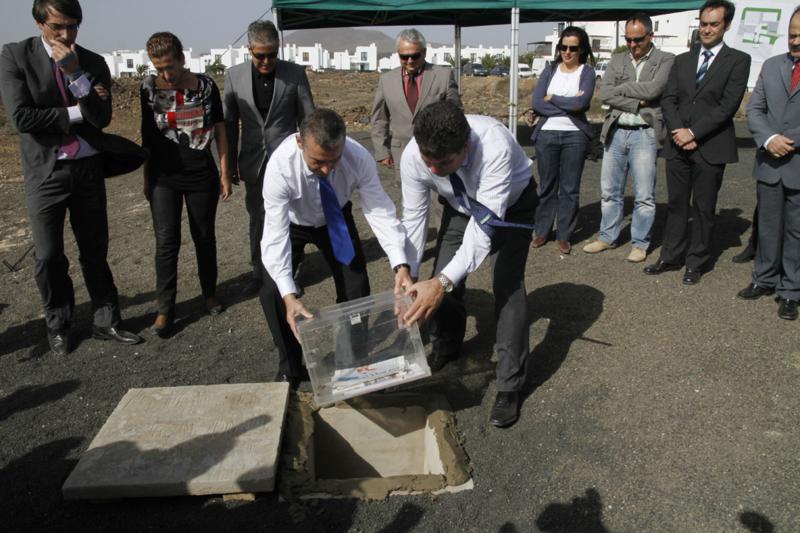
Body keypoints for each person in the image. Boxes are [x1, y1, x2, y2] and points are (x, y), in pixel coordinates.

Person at [0, 0, 144, 355]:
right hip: (46, 171)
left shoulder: (91, 62)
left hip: (88, 169)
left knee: (95, 250)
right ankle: (58, 324)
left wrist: (76, 73)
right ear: (39, 23)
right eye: (58, 27)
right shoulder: (15, 56)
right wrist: (80, 108)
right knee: (48, 256)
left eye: (73, 26)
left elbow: (102, 118)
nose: (66, 34)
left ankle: (106, 320)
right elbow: (22, 119)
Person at [400, 101, 539, 429]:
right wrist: (408, 269)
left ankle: (510, 384)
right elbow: (415, 216)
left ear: (465, 147)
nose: (434, 170)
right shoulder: (413, 155)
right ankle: (447, 345)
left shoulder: (494, 145)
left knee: (506, 285)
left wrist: (441, 283)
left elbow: (484, 230)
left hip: (511, 206)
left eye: (444, 163)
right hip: (460, 205)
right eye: (428, 162)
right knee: (441, 276)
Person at [260, 108, 412, 389]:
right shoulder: (280, 167)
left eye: (335, 159)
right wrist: (289, 294)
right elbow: (275, 235)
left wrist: (400, 264)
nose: (327, 169)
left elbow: (379, 210)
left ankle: (351, 363)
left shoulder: (358, 157)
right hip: (293, 223)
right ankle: (290, 369)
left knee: (356, 286)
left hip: (336, 216)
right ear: (300, 142)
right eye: (318, 161)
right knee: (272, 292)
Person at [643, 0, 750, 284]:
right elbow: (669, 99)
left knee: (703, 208)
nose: (707, 29)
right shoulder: (682, 60)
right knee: (677, 205)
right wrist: (679, 131)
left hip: (710, 146)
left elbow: (727, 106)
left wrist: (693, 133)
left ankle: (696, 261)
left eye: (714, 24)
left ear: (726, 25)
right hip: (677, 144)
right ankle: (670, 256)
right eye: (703, 23)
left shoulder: (738, 61)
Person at [140, 32, 232, 337]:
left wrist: (225, 172)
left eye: (170, 66)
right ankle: (165, 309)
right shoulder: (148, 89)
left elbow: (220, 129)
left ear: (182, 58)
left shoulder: (205, 86)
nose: (166, 74)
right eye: (159, 68)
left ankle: (210, 294)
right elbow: (147, 135)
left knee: (204, 237)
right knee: (166, 243)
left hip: (200, 175)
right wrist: (147, 178)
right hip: (163, 177)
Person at [224, 20, 315, 298]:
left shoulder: (295, 74)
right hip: (253, 162)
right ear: (249, 49)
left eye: (272, 55)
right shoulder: (233, 76)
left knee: (290, 217)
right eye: (260, 55)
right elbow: (229, 124)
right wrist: (229, 165)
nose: (266, 61)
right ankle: (259, 273)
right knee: (258, 218)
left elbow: (308, 118)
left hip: (288, 161)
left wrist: (309, 158)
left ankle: (289, 272)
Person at [582, 13, 674, 263]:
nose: (633, 44)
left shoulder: (666, 59)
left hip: (645, 133)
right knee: (609, 191)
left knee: (644, 194)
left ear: (651, 35)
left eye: (638, 39)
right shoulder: (618, 59)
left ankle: (640, 243)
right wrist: (637, 101)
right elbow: (605, 94)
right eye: (628, 39)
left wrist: (621, 90)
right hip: (616, 131)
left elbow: (655, 89)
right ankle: (607, 237)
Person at [736, 6, 800, 321]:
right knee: (768, 226)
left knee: (796, 231)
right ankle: (763, 278)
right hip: (770, 163)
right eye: (792, 34)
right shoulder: (772, 66)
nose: (795, 41)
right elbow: (754, 109)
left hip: (797, 162)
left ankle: (791, 291)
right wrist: (769, 138)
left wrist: (789, 140)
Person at [530, 26, 596, 255]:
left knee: (570, 188)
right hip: (547, 134)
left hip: (575, 136)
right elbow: (537, 103)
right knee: (547, 185)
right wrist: (569, 105)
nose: (567, 52)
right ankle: (542, 231)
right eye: (563, 47)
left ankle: (564, 235)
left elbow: (581, 103)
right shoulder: (549, 70)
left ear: (581, 50)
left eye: (573, 48)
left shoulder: (587, 73)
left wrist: (553, 98)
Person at [370, 28, 460, 177]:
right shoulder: (386, 80)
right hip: (401, 154)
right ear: (398, 54)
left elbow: (456, 115)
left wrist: (453, 149)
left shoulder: (443, 76)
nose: (410, 61)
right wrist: (382, 151)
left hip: (438, 155)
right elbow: (379, 119)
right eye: (404, 57)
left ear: (424, 52)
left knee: (441, 192)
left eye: (415, 56)